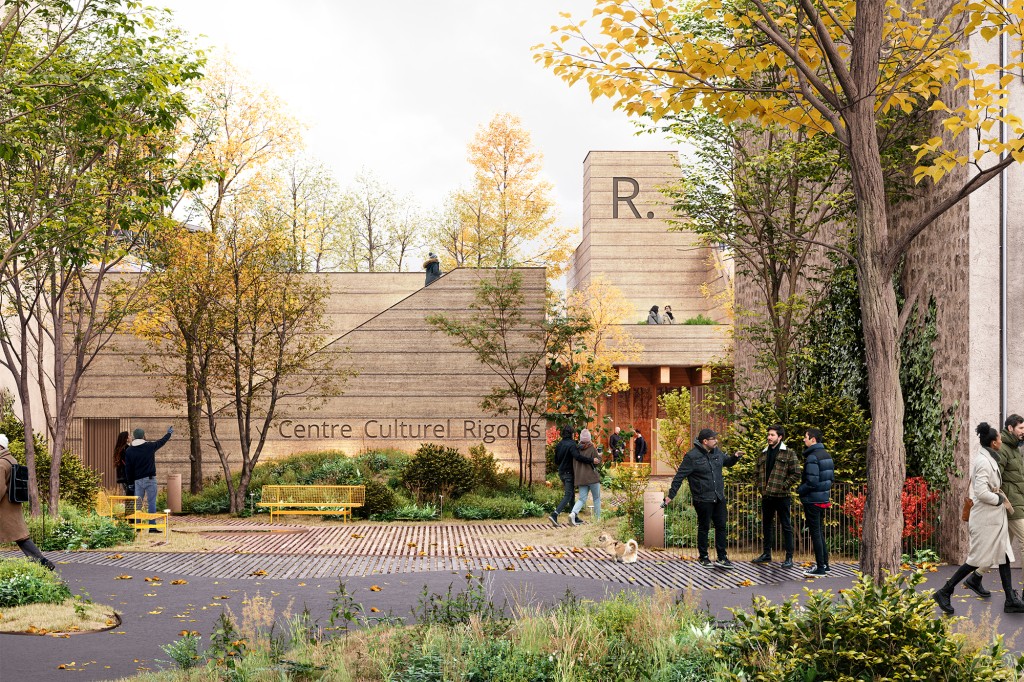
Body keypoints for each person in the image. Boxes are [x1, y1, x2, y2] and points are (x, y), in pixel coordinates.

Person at [934, 423, 1024, 614]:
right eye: (999, 439)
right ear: (993, 443)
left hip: (993, 519)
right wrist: (999, 499)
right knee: (975, 560)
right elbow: (981, 492)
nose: (1001, 441)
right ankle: (945, 591)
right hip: (985, 520)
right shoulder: (983, 462)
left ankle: (1010, 600)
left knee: (1004, 556)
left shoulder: (989, 457)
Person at [663, 428, 742, 568]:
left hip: (718, 497)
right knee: (704, 527)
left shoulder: (717, 452)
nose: (716, 441)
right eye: (713, 439)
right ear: (705, 441)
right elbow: (679, 477)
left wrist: (735, 457)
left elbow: (727, 462)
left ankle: (722, 558)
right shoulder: (691, 457)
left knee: (721, 527)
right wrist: (671, 495)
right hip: (703, 498)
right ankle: (703, 557)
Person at [0, 434, 55, 570]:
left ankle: (41, 561)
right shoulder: (11, 460)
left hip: (3, 508)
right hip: (12, 505)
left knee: (21, 537)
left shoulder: (1, 464)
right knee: (21, 537)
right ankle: (41, 561)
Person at [752, 424, 801, 567]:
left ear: (780, 437)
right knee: (766, 525)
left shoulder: (789, 453)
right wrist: (760, 487)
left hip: (782, 496)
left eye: (772, 435)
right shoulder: (763, 453)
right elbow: (755, 473)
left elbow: (796, 473)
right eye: (768, 434)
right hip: (766, 496)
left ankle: (789, 557)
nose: (769, 437)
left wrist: (783, 486)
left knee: (786, 526)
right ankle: (766, 554)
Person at [797, 428, 834, 577]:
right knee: (820, 532)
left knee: (816, 533)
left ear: (813, 439)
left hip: (812, 499)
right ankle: (825, 565)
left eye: (805, 437)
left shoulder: (812, 457)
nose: (804, 439)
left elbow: (811, 481)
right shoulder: (826, 455)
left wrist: (800, 490)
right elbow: (830, 478)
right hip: (823, 498)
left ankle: (820, 568)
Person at [995, 413, 1024, 599]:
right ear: (1010, 428)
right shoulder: (1004, 449)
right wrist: (1003, 501)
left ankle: (976, 576)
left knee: (1002, 546)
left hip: (1019, 501)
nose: (1023, 431)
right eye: (1020, 428)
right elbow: (996, 479)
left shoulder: (1015, 448)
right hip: (1012, 504)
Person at [125, 426, 173, 532]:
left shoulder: (129, 450)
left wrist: (130, 483)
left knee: (138, 504)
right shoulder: (149, 446)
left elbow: (128, 469)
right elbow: (162, 441)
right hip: (150, 479)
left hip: (137, 481)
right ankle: (152, 527)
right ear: (143, 436)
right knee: (151, 502)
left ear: (134, 437)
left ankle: (138, 526)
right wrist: (169, 433)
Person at [569, 429, 602, 526]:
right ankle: (597, 519)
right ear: (589, 438)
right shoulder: (591, 448)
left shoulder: (576, 449)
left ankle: (573, 513)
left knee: (582, 499)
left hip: (581, 478)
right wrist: (599, 456)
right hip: (592, 478)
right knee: (596, 498)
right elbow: (597, 462)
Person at [550, 425, 579, 527]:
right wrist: (590, 460)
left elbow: (556, 461)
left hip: (561, 472)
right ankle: (554, 514)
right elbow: (577, 457)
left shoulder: (559, 445)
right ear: (571, 434)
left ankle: (574, 516)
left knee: (571, 494)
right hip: (569, 473)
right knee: (568, 495)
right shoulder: (572, 444)